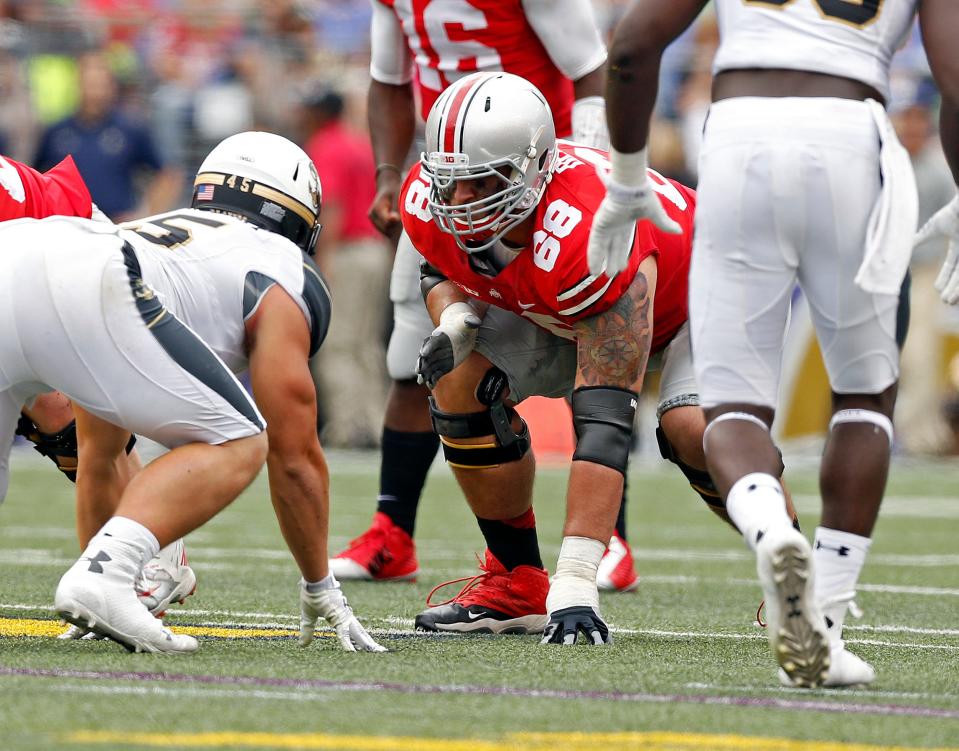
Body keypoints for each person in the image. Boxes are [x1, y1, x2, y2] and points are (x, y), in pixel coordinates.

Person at [590, 0, 959, 687]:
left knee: (730, 403)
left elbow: (632, 45)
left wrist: (627, 176)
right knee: (863, 394)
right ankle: (826, 616)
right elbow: (956, 79)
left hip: (738, 133)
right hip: (852, 133)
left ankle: (767, 525)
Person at [398, 72, 794, 639]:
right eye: (451, 182)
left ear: (531, 171)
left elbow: (605, 425)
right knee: (459, 381)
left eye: (482, 183)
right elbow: (441, 266)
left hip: (712, 290)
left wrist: (579, 585)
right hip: (562, 299)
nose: (459, 203)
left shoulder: (593, 234)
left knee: (691, 429)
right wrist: (457, 321)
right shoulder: (431, 198)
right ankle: (517, 583)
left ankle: (803, 581)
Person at [0, 132, 383, 654]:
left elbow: (100, 457)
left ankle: (109, 583)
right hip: (92, 276)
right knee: (243, 441)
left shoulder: (160, 236)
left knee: (99, 448)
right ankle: (106, 578)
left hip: (26, 247)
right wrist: (320, 585)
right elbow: (294, 455)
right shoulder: (281, 266)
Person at [332, 0, 644, 594]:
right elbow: (388, 82)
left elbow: (590, 68)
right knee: (416, 359)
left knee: (597, 359)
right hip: (446, 183)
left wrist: (590, 171)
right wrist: (387, 176)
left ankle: (611, 539)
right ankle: (391, 530)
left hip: (532, 183)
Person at [0, 153, 196, 628]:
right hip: (34, 258)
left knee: (74, 424)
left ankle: (159, 556)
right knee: (59, 421)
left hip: (77, 251)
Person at [300, 86, 391, 449]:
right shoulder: (358, 142)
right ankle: (376, 423)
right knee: (366, 344)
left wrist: (323, 262)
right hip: (374, 248)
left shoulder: (325, 144)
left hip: (347, 251)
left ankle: (345, 429)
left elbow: (332, 205)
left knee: (337, 343)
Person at [32, 51, 180, 222]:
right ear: (78, 84)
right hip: (69, 227)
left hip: (115, 228)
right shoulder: (57, 132)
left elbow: (168, 175)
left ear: (112, 85)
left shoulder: (130, 128)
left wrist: (145, 217)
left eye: (101, 82)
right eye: (90, 82)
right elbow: (34, 178)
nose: (95, 89)